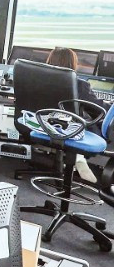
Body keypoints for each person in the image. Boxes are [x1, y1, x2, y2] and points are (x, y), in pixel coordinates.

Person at [46, 47, 109, 183]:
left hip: (45, 124)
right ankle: (77, 157)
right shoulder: (79, 85)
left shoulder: (38, 80)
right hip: (70, 129)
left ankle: (75, 158)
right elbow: (99, 109)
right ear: (72, 64)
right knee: (101, 122)